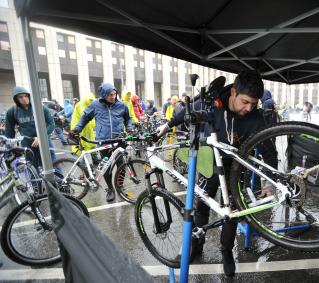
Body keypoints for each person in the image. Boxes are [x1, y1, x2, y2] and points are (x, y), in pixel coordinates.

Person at [157, 70, 277, 277]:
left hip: (236, 168)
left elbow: (269, 149)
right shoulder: (211, 103)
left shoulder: (255, 117)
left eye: (253, 104)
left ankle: (226, 251)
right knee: (201, 205)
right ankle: (196, 244)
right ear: (233, 92)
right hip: (208, 162)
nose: (249, 108)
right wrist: (166, 126)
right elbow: (186, 112)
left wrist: (270, 181)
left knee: (231, 212)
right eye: (245, 102)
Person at [70, 83, 132, 202]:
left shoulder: (121, 105)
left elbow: (128, 118)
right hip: (104, 141)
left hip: (119, 140)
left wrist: (128, 127)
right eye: (110, 95)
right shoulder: (95, 105)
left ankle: (119, 186)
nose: (113, 97)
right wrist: (77, 129)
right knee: (106, 168)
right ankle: (110, 189)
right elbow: (84, 118)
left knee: (122, 165)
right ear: (104, 95)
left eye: (114, 94)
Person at [4, 86, 57, 169]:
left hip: (45, 141)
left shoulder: (40, 107)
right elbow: (9, 132)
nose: (24, 99)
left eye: (26, 96)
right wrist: (9, 149)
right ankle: (36, 182)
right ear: (16, 99)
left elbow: (52, 124)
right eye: (20, 97)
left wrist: (41, 137)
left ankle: (57, 182)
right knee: (33, 169)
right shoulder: (12, 111)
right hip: (28, 144)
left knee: (53, 167)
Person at [70, 93, 100, 166]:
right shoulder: (80, 105)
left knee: (92, 144)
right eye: (90, 100)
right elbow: (86, 118)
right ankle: (83, 167)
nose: (91, 102)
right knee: (83, 148)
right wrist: (96, 125)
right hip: (80, 129)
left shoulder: (89, 105)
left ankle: (95, 159)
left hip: (87, 129)